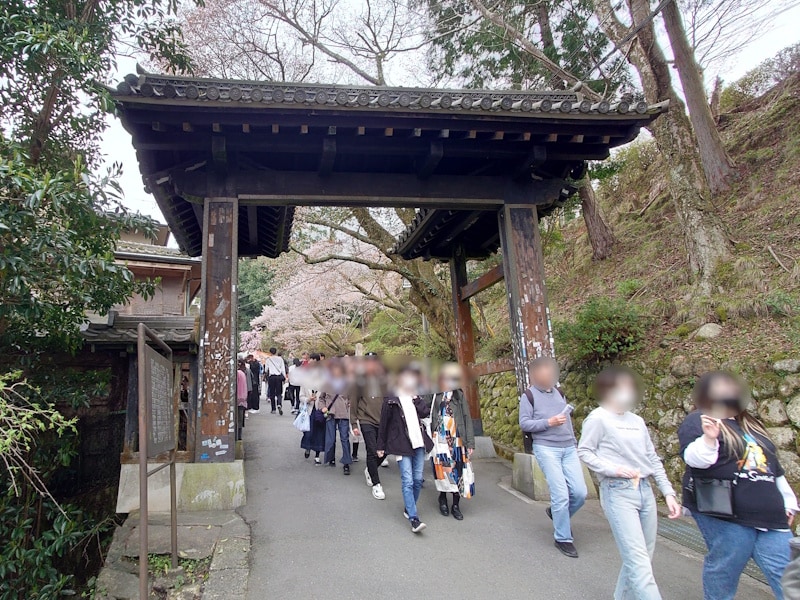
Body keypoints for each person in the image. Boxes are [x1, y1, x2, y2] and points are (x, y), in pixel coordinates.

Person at [678, 371, 798, 600]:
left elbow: (772, 467)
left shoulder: (751, 424)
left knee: (788, 574)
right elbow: (694, 459)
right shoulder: (699, 419)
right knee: (726, 568)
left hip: (770, 514)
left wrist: (789, 502)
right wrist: (709, 438)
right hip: (725, 512)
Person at [578, 366, 682, 599]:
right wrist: (613, 469)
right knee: (638, 562)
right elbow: (584, 451)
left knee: (642, 558)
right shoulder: (598, 418)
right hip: (618, 492)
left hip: (645, 489)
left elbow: (652, 458)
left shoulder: (637, 421)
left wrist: (668, 492)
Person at [519, 356, 587, 558]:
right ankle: (563, 538)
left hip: (568, 447)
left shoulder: (559, 393)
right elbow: (524, 423)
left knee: (580, 493)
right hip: (546, 447)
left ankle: (556, 514)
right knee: (560, 494)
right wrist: (548, 422)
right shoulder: (528, 396)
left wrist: (574, 443)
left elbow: (567, 422)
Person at [378, 364, 433, 534]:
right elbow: (384, 423)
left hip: (419, 443)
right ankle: (414, 518)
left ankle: (409, 507)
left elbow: (425, 413)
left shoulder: (415, 396)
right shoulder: (391, 399)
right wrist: (381, 446)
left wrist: (416, 399)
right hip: (401, 444)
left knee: (417, 480)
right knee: (407, 481)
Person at [430, 363, 475, 521]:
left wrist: (470, 443)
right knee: (442, 470)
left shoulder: (458, 395)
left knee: (458, 470)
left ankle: (456, 504)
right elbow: (424, 411)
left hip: (457, 439)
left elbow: (466, 417)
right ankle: (442, 498)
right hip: (440, 439)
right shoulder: (434, 394)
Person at [350, 354, 388, 500]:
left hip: (382, 421)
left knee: (386, 450)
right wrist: (354, 423)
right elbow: (354, 402)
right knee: (372, 450)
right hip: (366, 420)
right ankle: (376, 484)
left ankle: (370, 470)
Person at [319, 359, 353, 475]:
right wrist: (323, 407)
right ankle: (330, 457)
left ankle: (346, 462)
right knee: (330, 438)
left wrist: (350, 404)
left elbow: (352, 397)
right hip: (331, 413)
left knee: (344, 438)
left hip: (343, 413)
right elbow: (321, 398)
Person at [299, 354, 325, 464]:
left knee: (319, 432)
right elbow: (300, 396)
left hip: (319, 409)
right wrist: (308, 399)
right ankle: (307, 447)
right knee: (308, 432)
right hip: (308, 410)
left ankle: (317, 455)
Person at [264, 347, 286, 415]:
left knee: (272, 393)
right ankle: (279, 404)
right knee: (279, 393)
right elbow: (283, 369)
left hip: (272, 377)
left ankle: (273, 409)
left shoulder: (268, 359)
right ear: (276, 352)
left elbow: (266, 369)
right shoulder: (280, 359)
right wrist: (284, 377)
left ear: (270, 352)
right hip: (278, 377)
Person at [236, 360, 249, 441]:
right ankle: (239, 436)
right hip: (243, 400)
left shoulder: (237, 374)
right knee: (240, 420)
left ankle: (237, 437)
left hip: (237, 399)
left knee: (237, 420)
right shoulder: (242, 374)